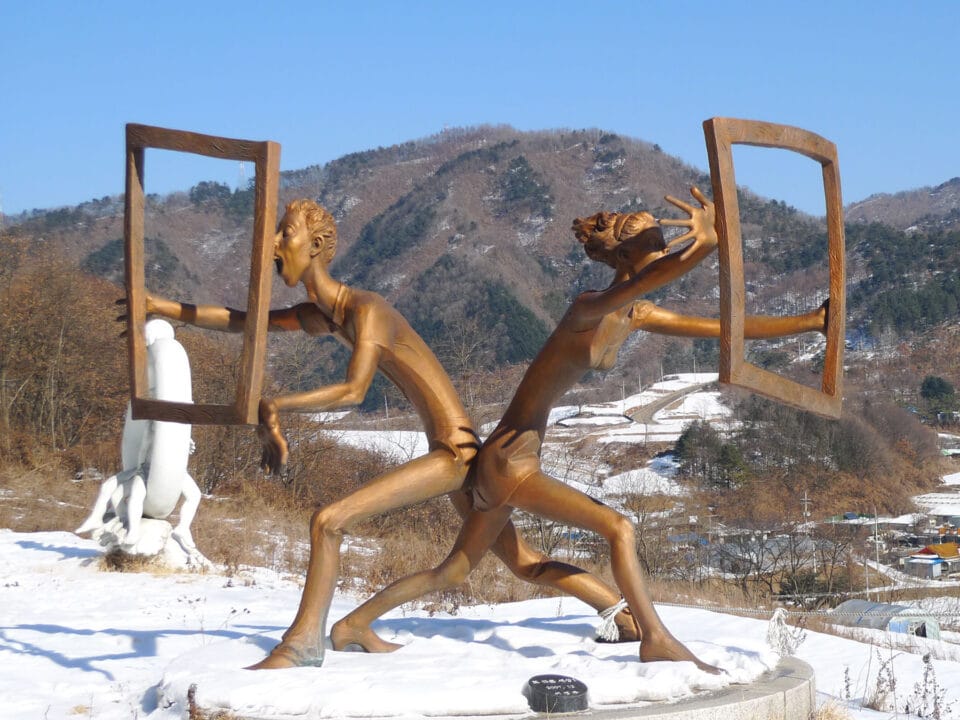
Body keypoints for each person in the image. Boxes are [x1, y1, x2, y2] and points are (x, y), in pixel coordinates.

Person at [332, 188, 829, 673]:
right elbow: (657, 275)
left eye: (664, 245)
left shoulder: (634, 314)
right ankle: (656, 639)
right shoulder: (587, 307)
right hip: (509, 460)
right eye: (654, 245)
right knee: (619, 527)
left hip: (511, 459)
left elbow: (723, 329)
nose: (663, 251)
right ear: (625, 256)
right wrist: (705, 245)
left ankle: (352, 624)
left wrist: (810, 321)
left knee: (454, 570)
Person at [142, 199, 639, 669]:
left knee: (328, 522)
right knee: (514, 562)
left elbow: (353, 391)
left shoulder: (367, 311)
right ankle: (616, 611)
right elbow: (244, 322)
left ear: (316, 246)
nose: (273, 244)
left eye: (284, 234)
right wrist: (162, 306)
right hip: (456, 452)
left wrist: (275, 406)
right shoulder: (325, 315)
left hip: (456, 454)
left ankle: (301, 644)